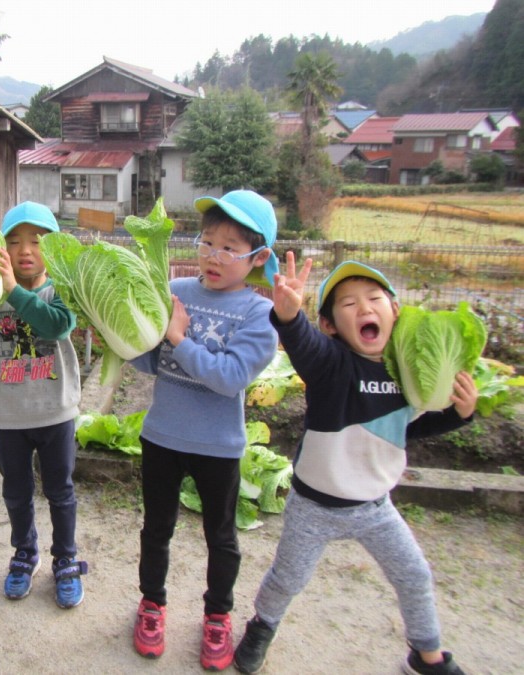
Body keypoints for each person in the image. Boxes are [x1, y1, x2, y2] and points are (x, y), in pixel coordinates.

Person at [233, 255, 478, 675]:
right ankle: (262, 625)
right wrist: (289, 317)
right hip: (314, 507)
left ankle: (427, 655)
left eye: (375, 298)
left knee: (414, 574)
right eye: (347, 304)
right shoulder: (332, 365)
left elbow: (405, 430)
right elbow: (304, 346)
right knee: (287, 579)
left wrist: (461, 414)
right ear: (329, 325)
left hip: (375, 509)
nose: (364, 308)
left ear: (395, 311)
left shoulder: (408, 376)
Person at [130, 190, 280, 671]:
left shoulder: (260, 315)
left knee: (221, 537)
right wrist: (123, 329)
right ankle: (152, 605)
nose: (214, 256)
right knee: (156, 530)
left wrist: (178, 337)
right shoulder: (175, 289)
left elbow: (229, 378)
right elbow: (149, 360)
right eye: (207, 242)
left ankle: (217, 615)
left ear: (258, 258)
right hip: (162, 437)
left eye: (230, 247)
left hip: (219, 446)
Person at [0, 201, 87, 609]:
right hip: (7, 416)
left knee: (60, 491)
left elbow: (57, 325)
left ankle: (66, 558)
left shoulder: (59, 288)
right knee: (16, 492)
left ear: (53, 248)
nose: (25, 250)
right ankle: (25, 552)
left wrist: (13, 290)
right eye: (13, 241)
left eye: (36, 241)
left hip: (56, 411)